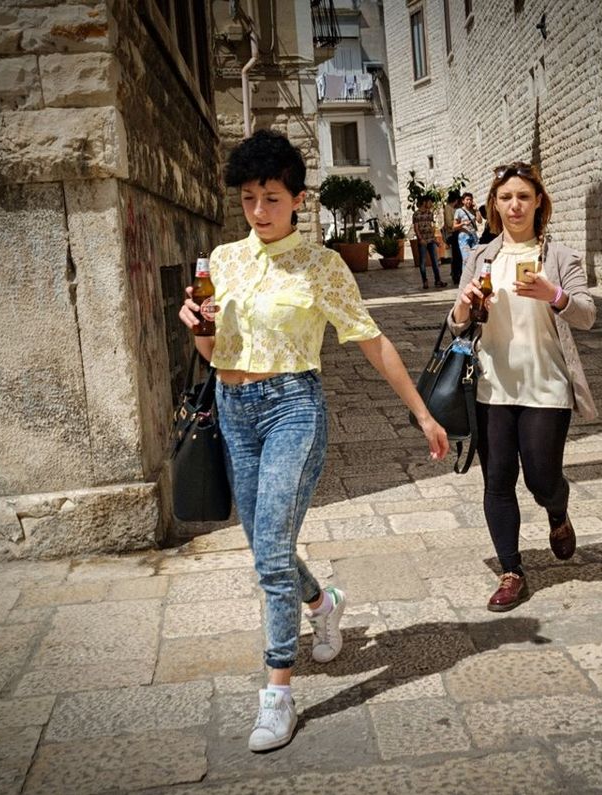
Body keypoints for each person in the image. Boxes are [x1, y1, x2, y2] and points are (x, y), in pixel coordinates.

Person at [179, 129, 449, 752]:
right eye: (248, 198)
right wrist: (196, 325)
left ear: (298, 199)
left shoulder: (323, 266)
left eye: (271, 197)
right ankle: (323, 603)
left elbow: (372, 341)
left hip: (292, 411)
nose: (258, 211)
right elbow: (212, 350)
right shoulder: (223, 261)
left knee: (270, 553)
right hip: (232, 409)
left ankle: (276, 692)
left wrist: (423, 415)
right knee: (266, 549)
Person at [447, 161, 597, 612]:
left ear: (538, 203)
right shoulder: (479, 256)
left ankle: (557, 510)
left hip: (546, 385)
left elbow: (587, 315)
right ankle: (512, 571)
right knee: (497, 481)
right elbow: (455, 325)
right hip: (491, 387)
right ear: (494, 204)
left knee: (541, 476)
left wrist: (554, 295)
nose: (515, 205)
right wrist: (464, 304)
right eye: (506, 197)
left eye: (523, 197)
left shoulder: (560, 256)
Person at [412, 197, 446, 289]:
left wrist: (435, 240)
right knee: (422, 262)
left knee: (435, 261)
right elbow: (416, 228)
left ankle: (438, 280)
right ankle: (425, 281)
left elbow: (431, 227)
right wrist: (420, 239)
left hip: (431, 240)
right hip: (422, 241)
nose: (431, 204)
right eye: (430, 202)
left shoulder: (430, 214)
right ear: (424, 202)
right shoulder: (416, 214)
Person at [453, 191, 479, 272]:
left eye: (470, 199)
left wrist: (477, 210)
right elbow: (454, 227)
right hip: (464, 237)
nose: (469, 201)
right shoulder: (459, 211)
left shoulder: (473, 210)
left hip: (474, 236)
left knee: (475, 258)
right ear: (463, 201)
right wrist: (463, 223)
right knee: (466, 259)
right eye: (467, 199)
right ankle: (465, 280)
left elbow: (480, 221)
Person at [444, 189, 463, 285]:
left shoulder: (454, 209)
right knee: (456, 256)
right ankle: (456, 275)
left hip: (457, 233)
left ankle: (457, 274)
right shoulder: (448, 208)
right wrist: (459, 223)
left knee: (457, 256)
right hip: (453, 234)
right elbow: (449, 222)